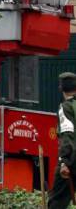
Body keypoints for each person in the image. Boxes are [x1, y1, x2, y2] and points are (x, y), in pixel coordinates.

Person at [49, 72, 76, 209]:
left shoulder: (66, 107)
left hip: (73, 161)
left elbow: (67, 134)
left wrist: (64, 162)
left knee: (57, 201)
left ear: (61, 88)